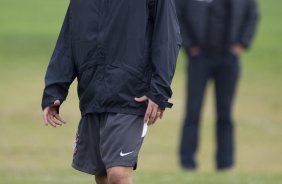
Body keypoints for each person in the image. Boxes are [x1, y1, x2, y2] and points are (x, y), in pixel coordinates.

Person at [41, 0, 181, 183]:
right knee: (102, 175)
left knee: (118, 173)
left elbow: (167, 37)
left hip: (132, 94)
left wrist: (159, 91)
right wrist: (54, 91)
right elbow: (68, 40)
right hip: (92, 94)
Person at [176, 0, 259, 170]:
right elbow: (178, 16)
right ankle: (187, 163)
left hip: (228, 58)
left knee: (225, 113)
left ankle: (226, 163)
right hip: (199, 59)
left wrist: (242, 42)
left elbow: (252, 15)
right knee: (193, 111)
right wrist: (189, 45)